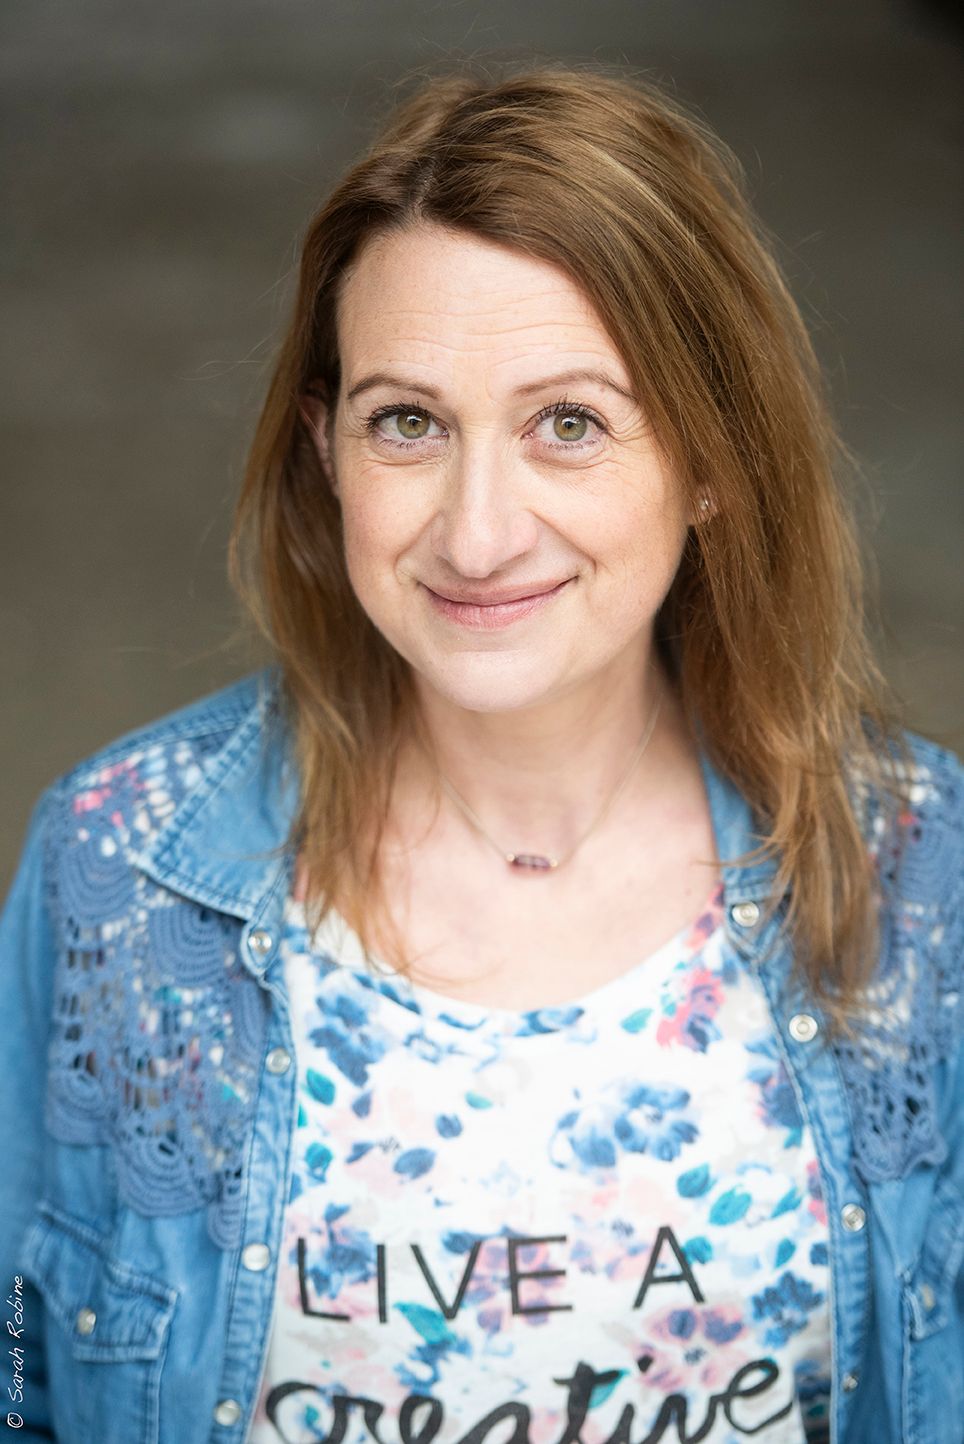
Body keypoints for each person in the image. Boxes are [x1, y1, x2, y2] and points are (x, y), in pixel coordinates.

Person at [0, 62, 960, 1444]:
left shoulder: (921, 872)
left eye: (569, 424)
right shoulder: (121, 865)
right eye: (409, 423)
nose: (477, 532)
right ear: (327, 449)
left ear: (711, 458)